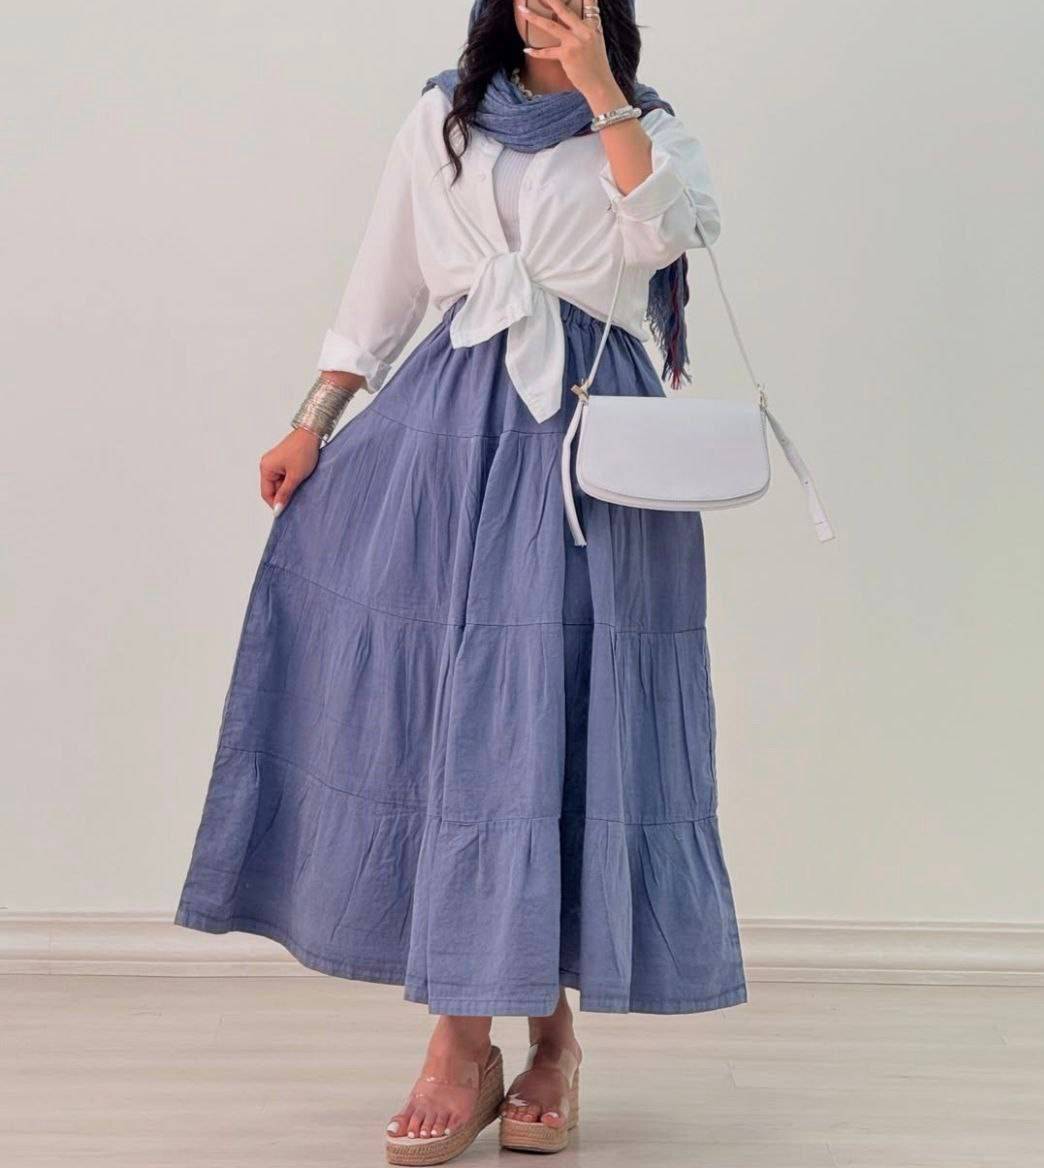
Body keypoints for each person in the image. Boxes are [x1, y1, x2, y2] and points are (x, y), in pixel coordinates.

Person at [174, 0, 747, 1161]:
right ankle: (472, 1042)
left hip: (592, 446)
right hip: (446, 437)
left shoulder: (648, 127)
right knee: (461, 722)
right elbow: (383, 283)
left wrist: (603, 91)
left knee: (561, 722)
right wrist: (314, 419)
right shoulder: (444, 117)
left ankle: (538, 1043)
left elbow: (664, 239)